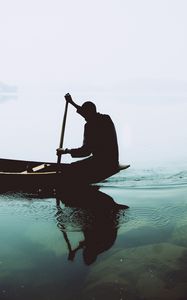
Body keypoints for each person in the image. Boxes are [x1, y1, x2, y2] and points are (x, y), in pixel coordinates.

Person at [56, 93, 119, 183]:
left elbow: (85, 152)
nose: (84, 118)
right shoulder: (106, 118)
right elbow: (87, 113)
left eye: (85, 116)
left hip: (102, 162)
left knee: (72, 168)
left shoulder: (90, 126)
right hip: (113, 160)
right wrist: (71, 102)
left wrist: (65, 151)